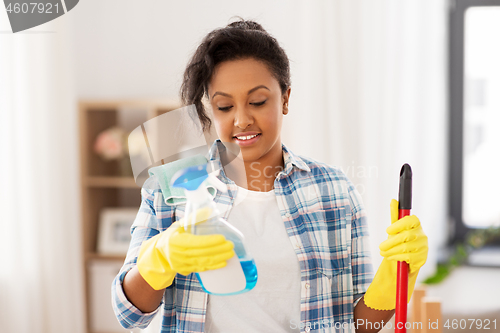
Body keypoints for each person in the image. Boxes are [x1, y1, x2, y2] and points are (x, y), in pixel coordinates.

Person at [111, 19, 428, 333]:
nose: (241, 119)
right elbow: (129, 315)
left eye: (258, 102)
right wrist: (158, 261)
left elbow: (356, 326)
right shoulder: (170, 188)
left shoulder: (334, 191)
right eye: (224, 107)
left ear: (285, 98)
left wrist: (393, 279)